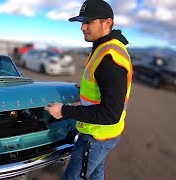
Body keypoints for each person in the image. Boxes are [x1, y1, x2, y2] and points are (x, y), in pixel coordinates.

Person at [44, 0, 133, 179]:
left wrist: (64, 110)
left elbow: (110, 113)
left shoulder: (109, 57)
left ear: (107, 23)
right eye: (81, 22)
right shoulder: (105, 46)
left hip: (96, 137)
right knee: (95, 174)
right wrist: (85, 86)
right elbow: (102, 83)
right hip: (105, 134)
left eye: (89, 22)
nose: (82, 27)